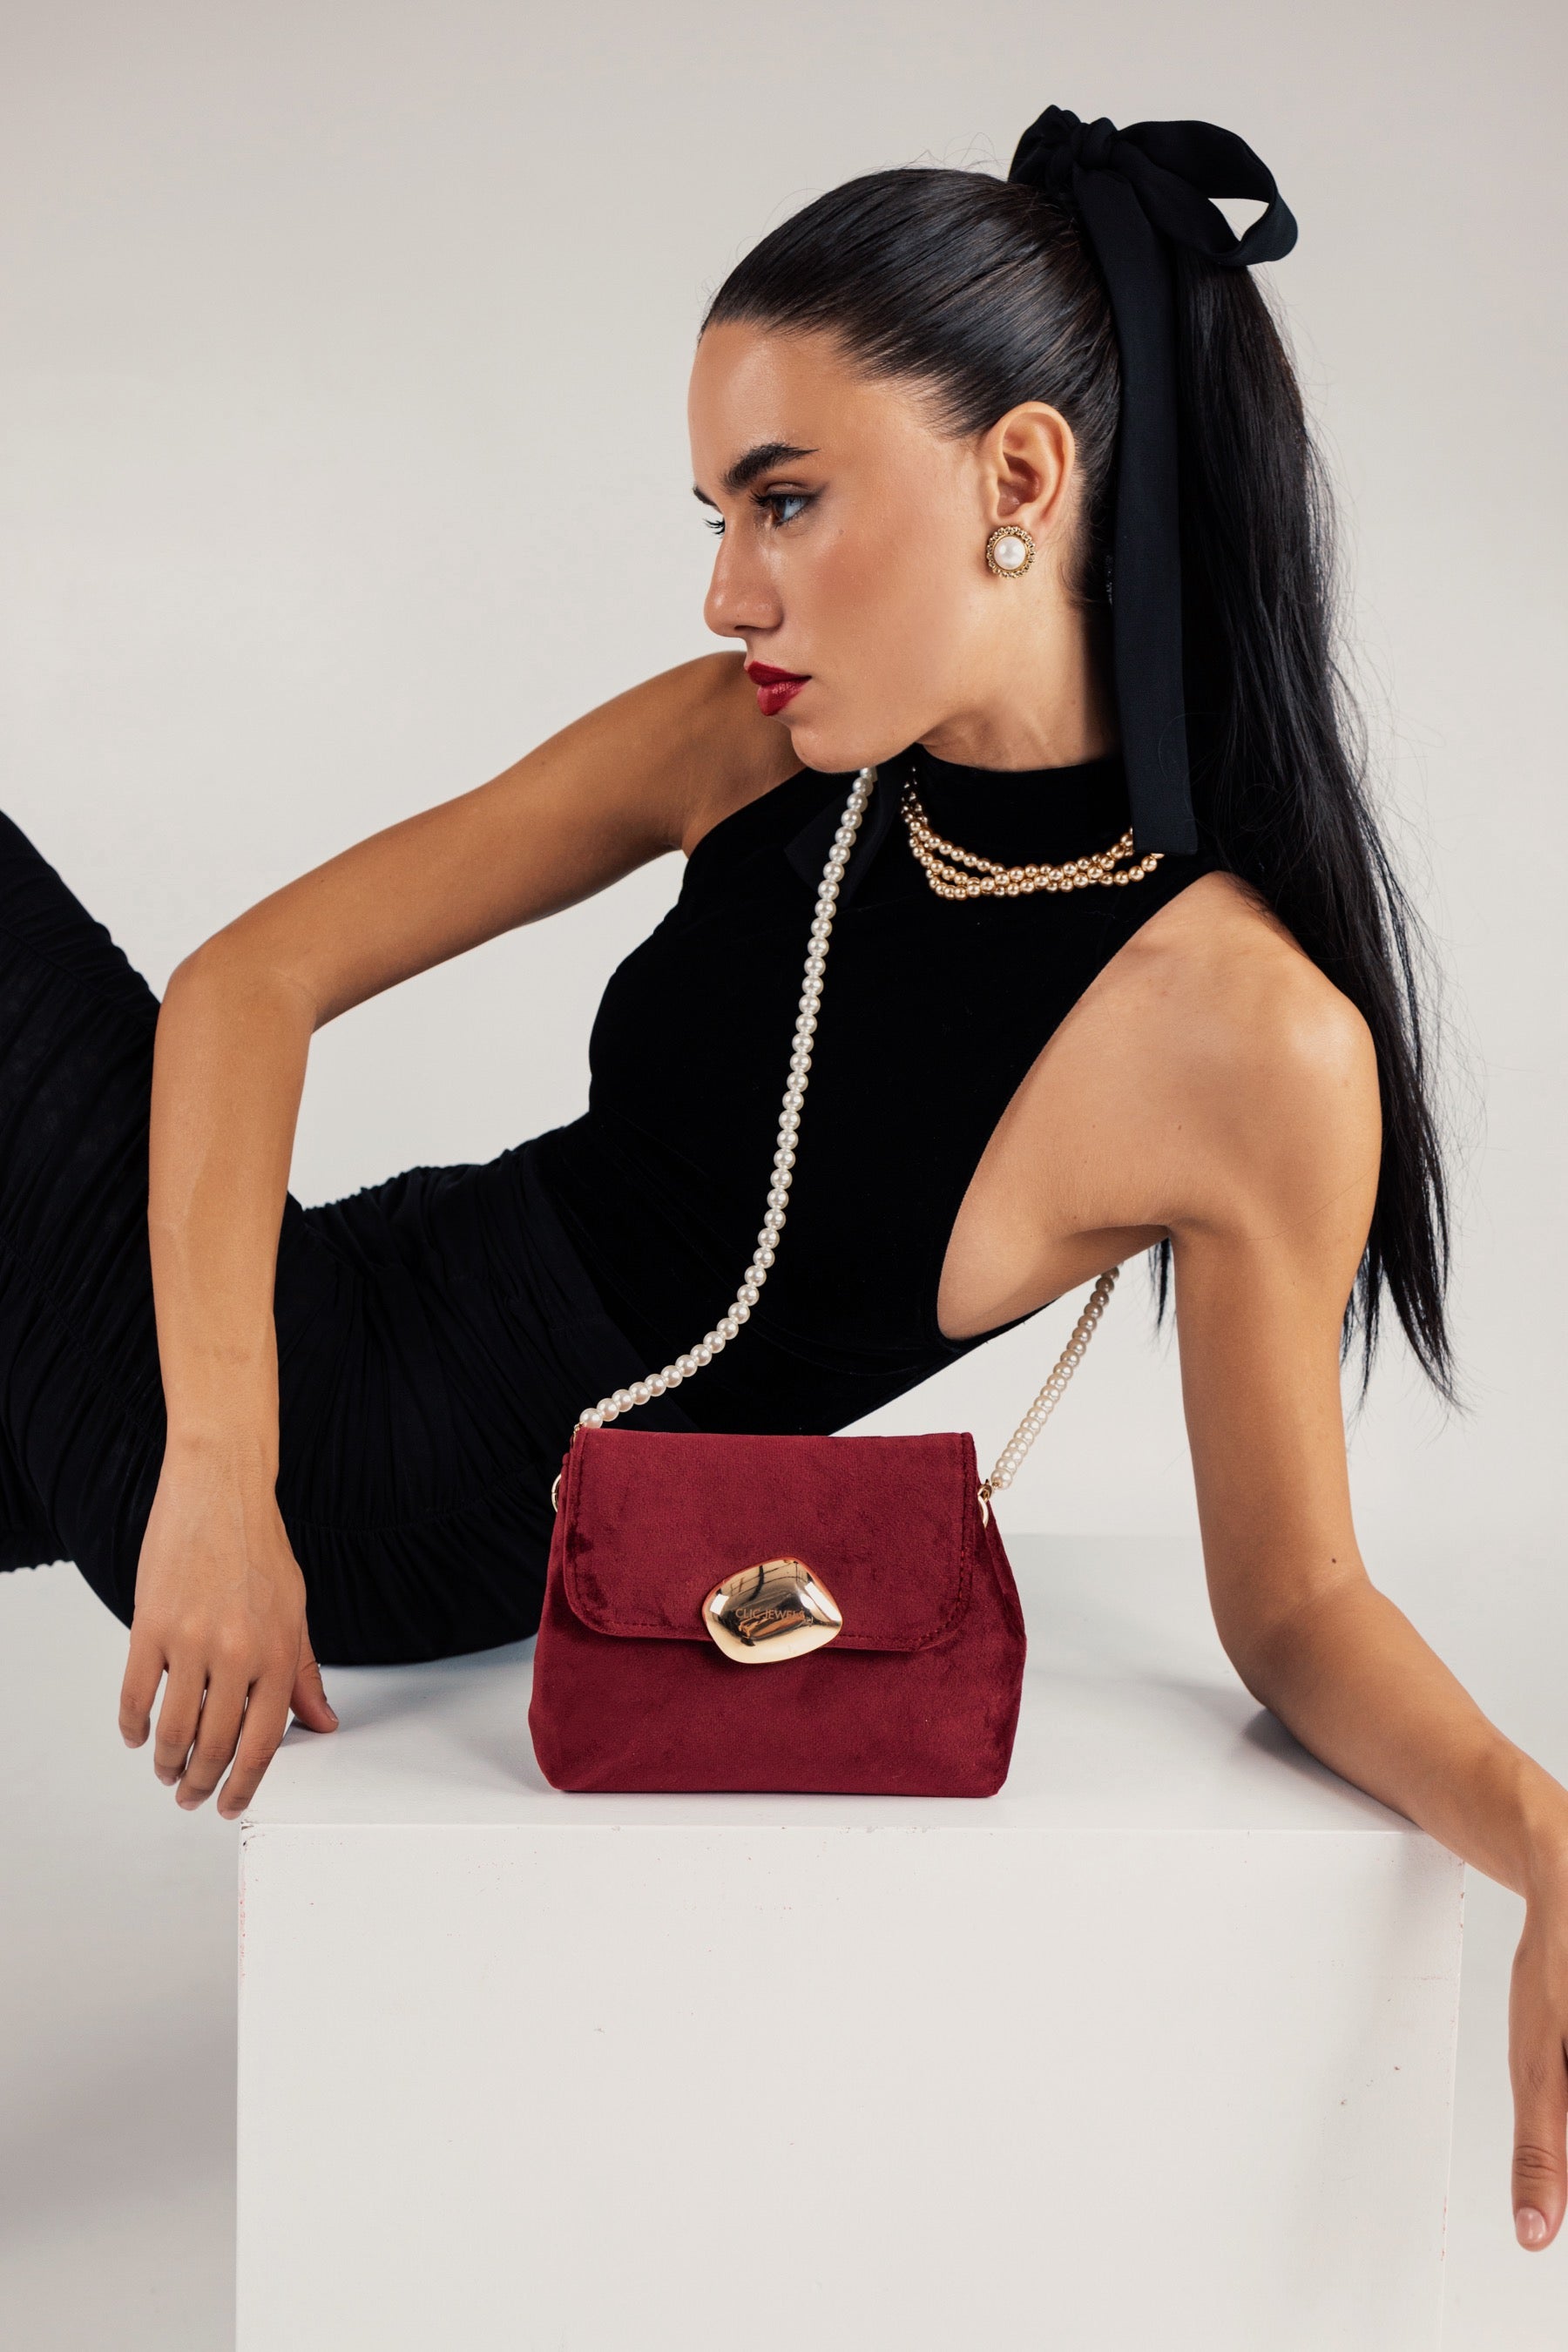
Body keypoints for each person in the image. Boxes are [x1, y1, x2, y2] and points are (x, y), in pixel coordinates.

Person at [3, 105, 1565, 2250]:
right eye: (721, 513)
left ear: (1022, 480)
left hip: (366, 1507)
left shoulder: (1249, 1043)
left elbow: (1295, 1604)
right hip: (256, 1388)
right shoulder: (763, 741)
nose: (729, 589)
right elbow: (255, 987)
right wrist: (213, 1463)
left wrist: (1542, 1831)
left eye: (788, 500)